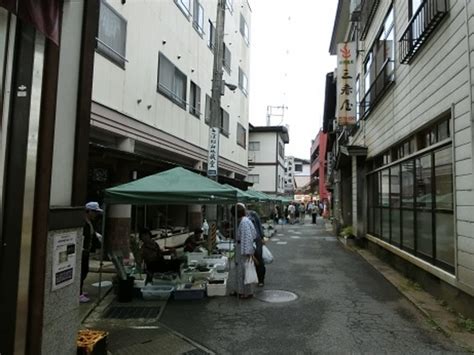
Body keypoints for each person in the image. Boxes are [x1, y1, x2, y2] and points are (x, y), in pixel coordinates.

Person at [230, 203, 256, 299]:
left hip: (243, 249)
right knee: (241, 271)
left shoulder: (244, 222)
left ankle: (246, 292)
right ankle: (240, 290)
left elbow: (247, 238)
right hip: (241, 247)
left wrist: (247, 252)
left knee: (244, 272)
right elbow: (253, 234)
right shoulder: (246, 221)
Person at [80, 201, 103, 303]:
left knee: (85, 271)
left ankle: (79, 291)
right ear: (88, 211)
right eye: (94, 212)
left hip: (86, 251)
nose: (96, 215)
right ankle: (78, 293)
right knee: (82, 272)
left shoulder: (89, 223)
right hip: (82, 251)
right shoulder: (83, 223)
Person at [247, 209, 265, 287]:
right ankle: (251, 278)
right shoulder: (239, 217)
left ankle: (261, 280)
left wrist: (262, 237)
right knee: (249, 260)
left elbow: (259, 225)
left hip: (257, 240)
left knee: (259, 259)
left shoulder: (253, 214)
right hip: (248, 240)